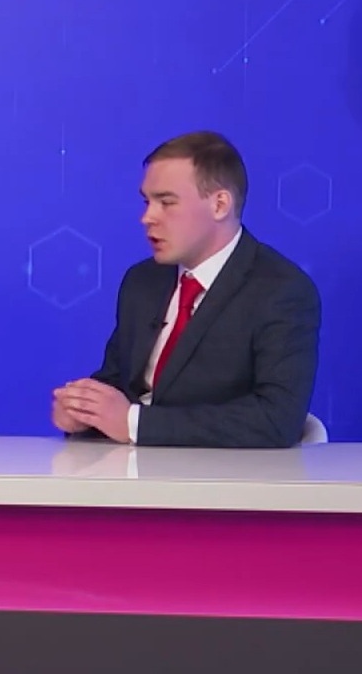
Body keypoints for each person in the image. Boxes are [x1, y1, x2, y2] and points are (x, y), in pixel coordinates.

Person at [52, 131, 321, 448]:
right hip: (129, 470)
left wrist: (135, 423)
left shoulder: (281, 290)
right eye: (147, 201)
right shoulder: (141, 281)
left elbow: (276, 419)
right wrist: (83, 410)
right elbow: (118, 383)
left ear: (219, 204)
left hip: (225, 475)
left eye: (166, 202)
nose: (147, 217)